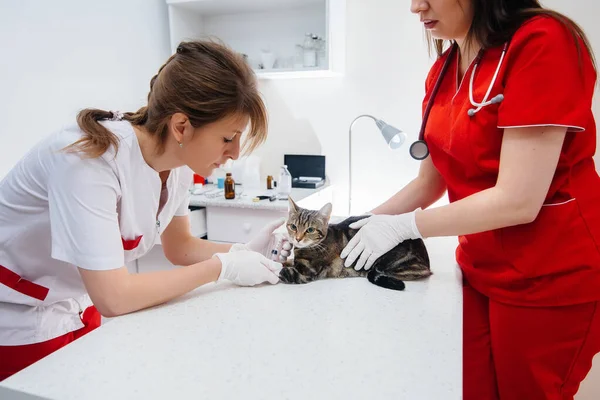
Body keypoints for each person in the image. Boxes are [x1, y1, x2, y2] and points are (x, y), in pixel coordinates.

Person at [341, 1, 600, 399]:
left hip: (550, 274)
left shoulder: (543, 42)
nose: (415, 7)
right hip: (479, 269)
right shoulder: (444, 70)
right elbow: (429, 184)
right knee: (467, 388)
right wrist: (348, 226)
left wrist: (404, 226)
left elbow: (518, 200)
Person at [0, 40, 291, 381]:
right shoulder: (89, 161)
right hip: (19, 319)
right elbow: (115, 297)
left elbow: (180, 247)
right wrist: (222, 267)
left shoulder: (179, 166)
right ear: (181, 126)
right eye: (228, 138)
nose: (235, 153)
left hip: (78, 305)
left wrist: (245, 250)